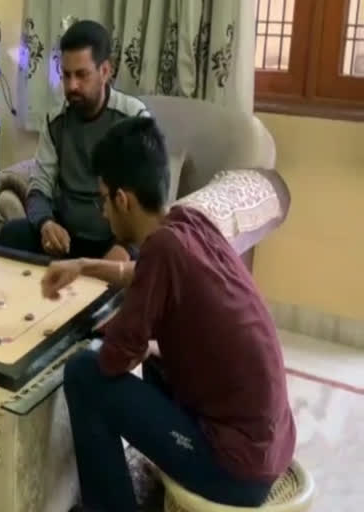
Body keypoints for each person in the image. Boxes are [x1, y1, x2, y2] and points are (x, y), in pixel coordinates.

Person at [40, 117, 296, 511]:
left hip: (238, 470)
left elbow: (113, 360)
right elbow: (135, 273)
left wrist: (116, 335)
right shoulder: (188, 223)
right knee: (159, 366)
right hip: (270, 444)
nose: (104, 213)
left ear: (123, 200)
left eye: (104, 199)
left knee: (83, 375)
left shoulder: (162, 250)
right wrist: (83, 266)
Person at [0, 20, 149, 261]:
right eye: (66, 75)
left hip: (115, 243)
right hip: (68, 240)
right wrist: (46, 224)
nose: (72, 86)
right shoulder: (56, 119)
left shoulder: (134, 118)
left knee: (151, 255)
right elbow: (39, 187)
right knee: (13, 234)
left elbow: (150, 200)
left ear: (105, 71)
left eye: (81, 75)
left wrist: (127, 248)